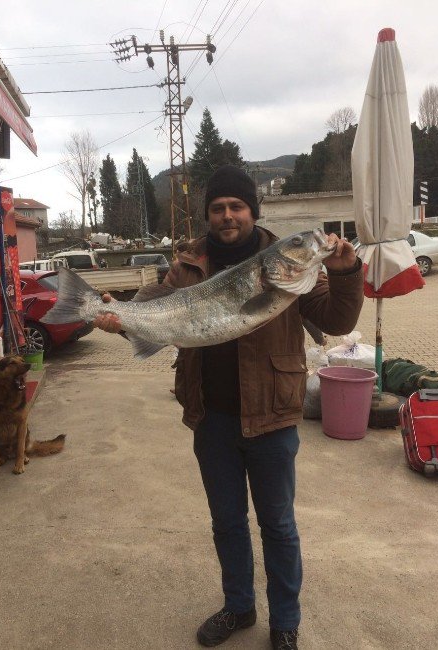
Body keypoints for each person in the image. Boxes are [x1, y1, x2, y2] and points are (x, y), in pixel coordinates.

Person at [94, 165, 364, 649]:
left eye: (236, 206)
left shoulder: (288, 266)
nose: (227, 215)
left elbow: (338, 318)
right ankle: (238, 607)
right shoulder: (188, 266)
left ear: (252, 211)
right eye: (218, 208)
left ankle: (285, 621)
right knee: (227, 522)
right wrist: (125, 320)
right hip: (211, 417)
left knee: (278, 525)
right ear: (208, 215)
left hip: (272, 416)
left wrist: (345, 274)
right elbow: (155, 309)